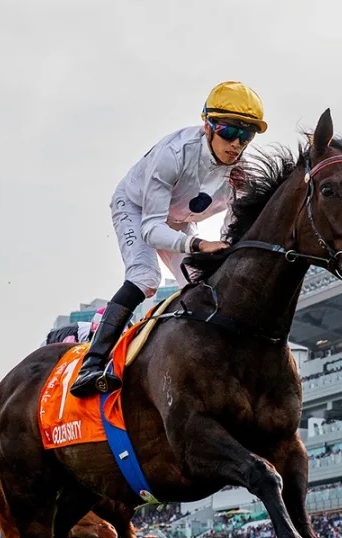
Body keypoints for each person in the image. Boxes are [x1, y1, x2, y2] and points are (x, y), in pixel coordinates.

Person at [69, 81, 267, 398]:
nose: (236, 144)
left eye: (246, 136)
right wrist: (198, 245)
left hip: (178, 219)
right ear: (208, 126)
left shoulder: (242, 175)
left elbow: (232, 231)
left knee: (202, 285)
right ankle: (91, 364)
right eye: (229, 132)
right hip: (137, 209)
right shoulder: (173, 154)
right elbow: (151, 230)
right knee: (145, 277)